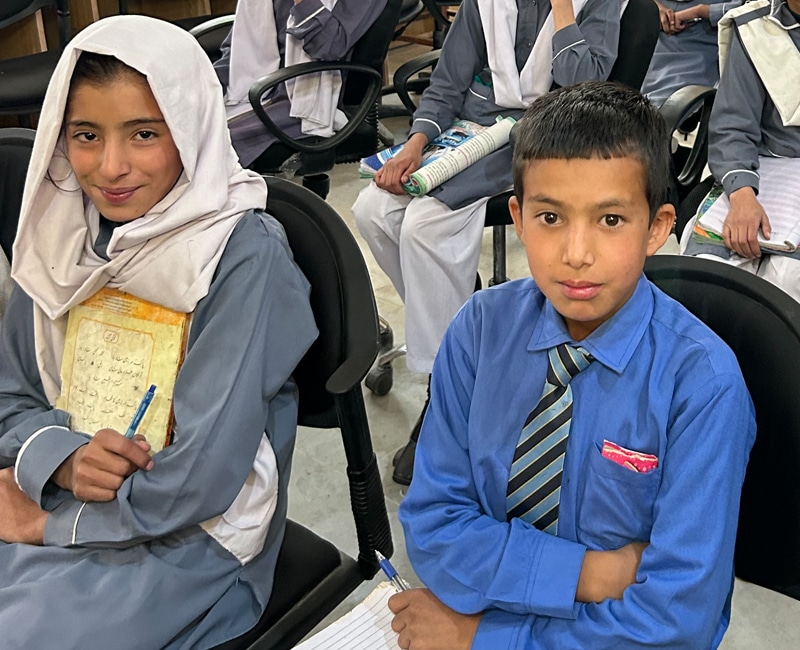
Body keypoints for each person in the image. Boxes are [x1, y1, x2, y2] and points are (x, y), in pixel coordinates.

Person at [391, 81, 756, 649]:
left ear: (657, 228)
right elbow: (435, 528)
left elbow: (676, 623)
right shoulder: (480, 332)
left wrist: (483, 638)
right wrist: (595, 574)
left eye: (610, 220)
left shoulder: (702, 386)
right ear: (517, 216)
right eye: (550, 217)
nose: (576, 253)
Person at [0, 15, 317, 649]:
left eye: (144, 133)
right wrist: (60, 460)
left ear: (192, 128)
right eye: (85, 135)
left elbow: (200, 478)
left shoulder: (242, 255)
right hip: (64, 491)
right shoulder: (62, 234)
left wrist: (49, 525)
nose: (110, 167)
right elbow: (10, 394)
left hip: (191, 538)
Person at [353, 0, 622, 485]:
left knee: (423, 226)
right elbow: (449, 83)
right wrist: (415, 142)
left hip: (547, 135)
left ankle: (446, 392)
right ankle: (458, 316)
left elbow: (587, 84)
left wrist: (563, 9)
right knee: (371, 210)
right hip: (473, 130)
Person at [680, 0, 800, 303]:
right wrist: (743, 195)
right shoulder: (756, 28)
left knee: (787, 281)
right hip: (766, 167)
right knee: (708, 274)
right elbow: (733, 125)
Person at [213, 0, 388, 168]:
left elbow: (329, 47)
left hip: (310, 97)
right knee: (193, 126)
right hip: (259, 87)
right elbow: (237, 48)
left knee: (214, 143)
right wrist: (206, 87)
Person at [641, 1, 744, 108]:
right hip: (651, 35)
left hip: (700, 44)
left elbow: (754, 8)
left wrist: (702, 11)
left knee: (655, 109)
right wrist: (653, 5)